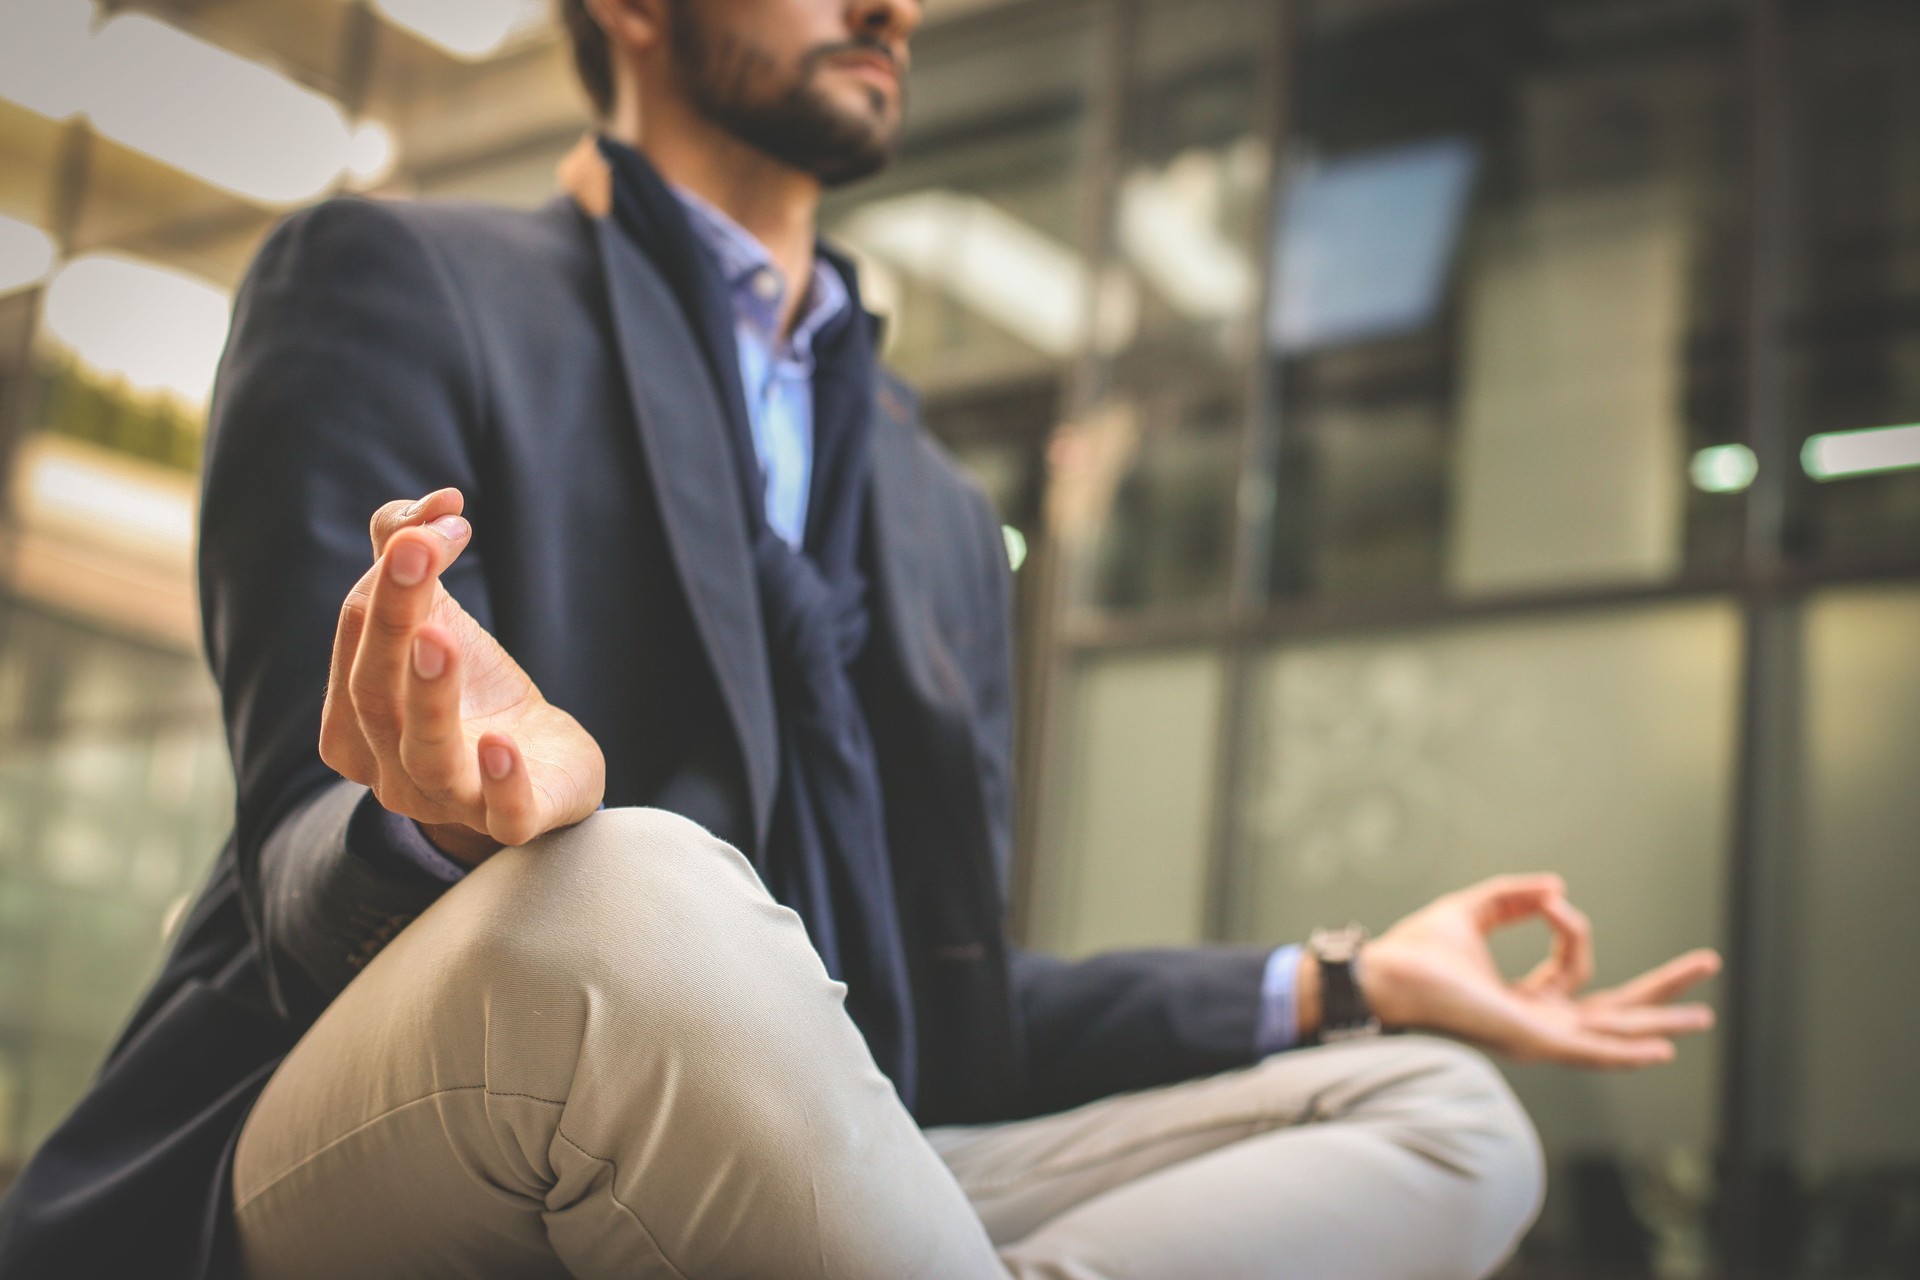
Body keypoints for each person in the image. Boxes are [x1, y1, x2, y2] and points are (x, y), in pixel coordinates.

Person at [0, 0, 1722, 1276]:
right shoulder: (386, 274)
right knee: (632, 888)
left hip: (804, 1173)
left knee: (1437, 1112)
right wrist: (444, 816)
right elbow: (294, 862)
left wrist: (1341, 980)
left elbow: (928, 1024)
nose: (893, 3)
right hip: (376, 1121)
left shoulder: (931, 495)